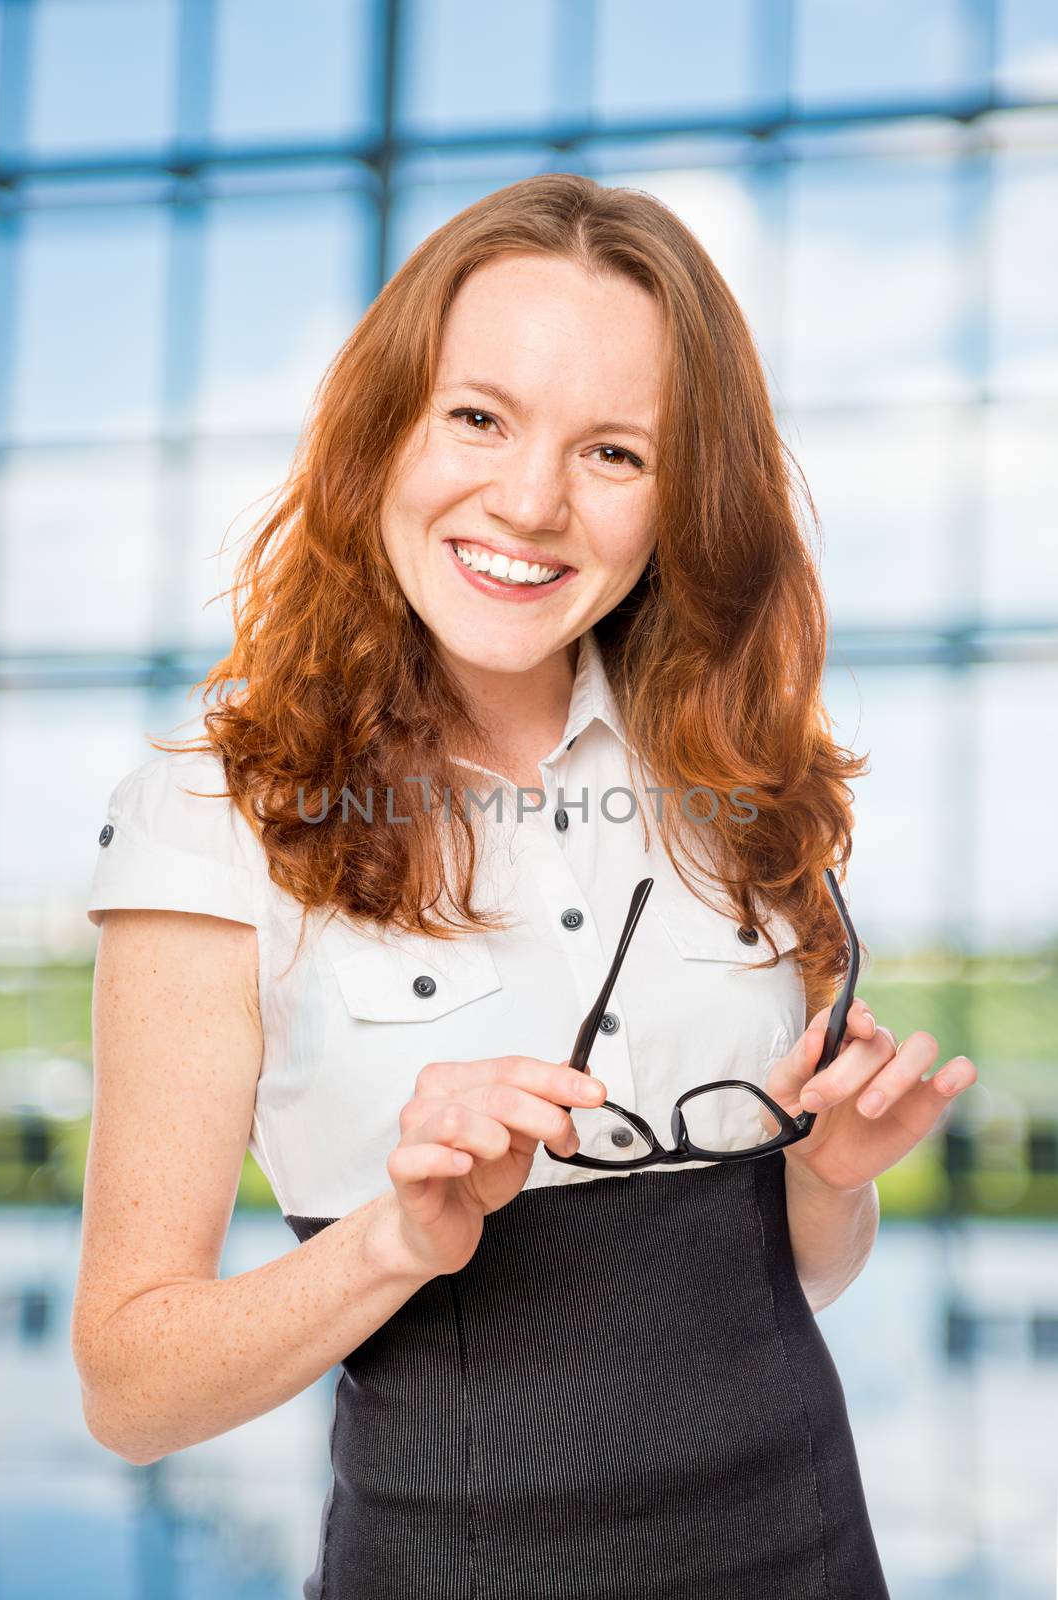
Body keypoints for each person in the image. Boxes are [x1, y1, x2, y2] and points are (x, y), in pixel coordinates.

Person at [71, 172, 977, 1599]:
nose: (533, 502)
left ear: (683, 499)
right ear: (385, 436)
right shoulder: (212, 816)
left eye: (616, 453)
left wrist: (828, 1176)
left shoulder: (734, 784)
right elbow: (131, 1393)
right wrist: (399, 1237)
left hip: (810, 1551)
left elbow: (796, 1282)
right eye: (478, 419)